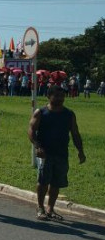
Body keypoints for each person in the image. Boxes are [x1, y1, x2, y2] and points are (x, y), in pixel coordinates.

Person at [28, 85, 85, 220]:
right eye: (57, 96)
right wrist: (37, 146)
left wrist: (80, 151)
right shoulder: (41, 112)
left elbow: (75, 133)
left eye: (62, 96)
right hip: (45, 154)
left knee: (56, 183)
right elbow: (31, 130)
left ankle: (50, 208)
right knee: (43, 181)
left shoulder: (69, 114)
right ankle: (40, 207)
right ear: (49, 96)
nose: (60, 99)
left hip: (61, 153)